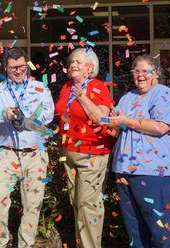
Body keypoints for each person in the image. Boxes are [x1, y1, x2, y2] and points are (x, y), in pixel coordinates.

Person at [0, 47, 55, 248]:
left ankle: (25, 244)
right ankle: (0, 242)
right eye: (13, 67)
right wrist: (4, 114)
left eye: (22, 66)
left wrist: (29, 117)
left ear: (27, 65)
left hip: (35, 153)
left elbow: (48, 116)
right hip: (8, 154)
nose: (18, 71)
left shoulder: (40, 88)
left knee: (32, 205)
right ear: (5, 67)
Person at [108, 55, 170, 248]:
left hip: (154, 173)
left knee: (160, 231)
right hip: (125, 171)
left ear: (156, 73)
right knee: (134, 229)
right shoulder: (127, 97)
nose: (140, 75)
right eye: (136, 71)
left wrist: (126, 121)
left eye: (145, 71)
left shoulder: (163, 94)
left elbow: (161, 127)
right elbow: (116, 132)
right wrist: (112, 120)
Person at [54, 48, 114, 248]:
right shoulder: (66, 87)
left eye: (78, 62)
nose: (73, 65)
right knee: (77, 203)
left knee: (88, 205)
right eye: (71, 62)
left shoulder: (99, 87)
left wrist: (82, 97)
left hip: (92, 154)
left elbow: (101, 119)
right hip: (69, 154)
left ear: (90, 68)